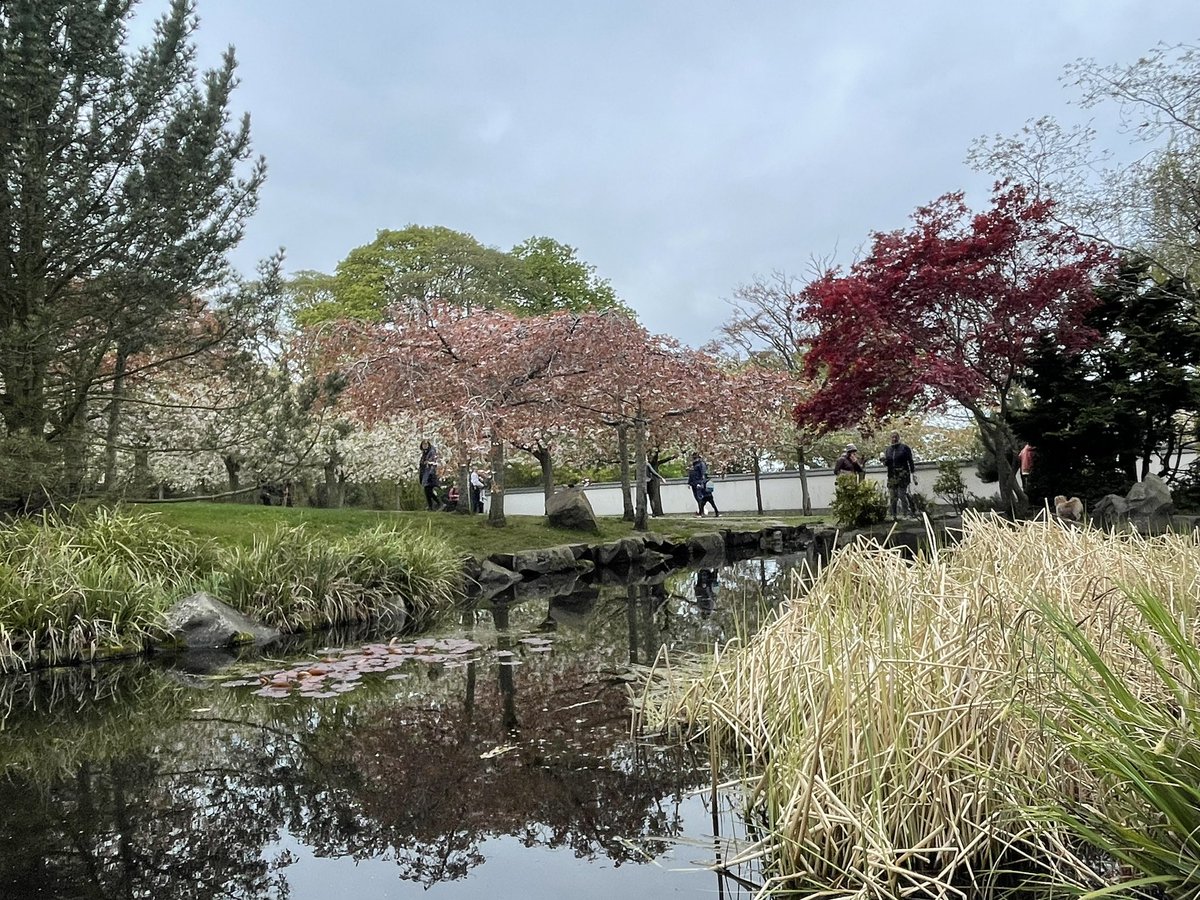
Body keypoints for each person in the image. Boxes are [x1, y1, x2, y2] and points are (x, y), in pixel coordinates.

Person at [883, 431, 917, 519]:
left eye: (896, 437)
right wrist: (883, 461)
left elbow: (910, 461)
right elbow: (887, 463)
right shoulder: (888, 450)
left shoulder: (904, 448)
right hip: (891, 476)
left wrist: (913, 473)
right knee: (892, 496)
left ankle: (906, 513)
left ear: (898, 438)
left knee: (902, 494)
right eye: (892, 437)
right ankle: (894, 515)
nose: (894, 439)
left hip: (903, 475)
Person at [687, 452, 720, 517]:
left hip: (699, 483)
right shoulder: (694, 465)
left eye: (695, 457)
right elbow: (691, 474)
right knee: (699, 499)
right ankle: (701, 512)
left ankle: (701, 513)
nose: (694, 458)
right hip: (694, 484)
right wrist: (689, 483)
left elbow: (703, 474)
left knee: (701, 499)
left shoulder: (701, 464)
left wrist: (701, 483)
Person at [418, 440, 440, 511]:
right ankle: (431, 507)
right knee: (427, 491)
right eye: (423, 444)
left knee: (428, 490)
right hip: (425, 474)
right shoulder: (424, 453)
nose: (424, 446)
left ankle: (439, 503)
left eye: (426, 444)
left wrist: (428, 463)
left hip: (430, 474)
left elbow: (433, 462)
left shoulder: (431, 452)